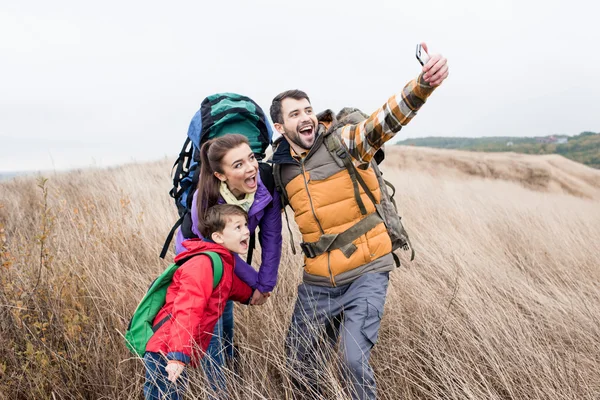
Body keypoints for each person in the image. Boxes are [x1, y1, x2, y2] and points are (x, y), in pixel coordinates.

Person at [269, 43, 449, 399]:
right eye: (294, 114)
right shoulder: (279, 168)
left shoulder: (344, 142)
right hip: (318, 282)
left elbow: (385, 119)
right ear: (280, 126)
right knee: (299, 364)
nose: (305, 117)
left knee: (353, 362)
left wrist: (423, 84)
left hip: (366, 271)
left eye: (308, 109)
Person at [174, 134, 282, 388]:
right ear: (221, 175)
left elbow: (272, 238)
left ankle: (232, 377)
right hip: (203, 262)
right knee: (212, 324)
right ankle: (217, 388)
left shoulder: (264, 186)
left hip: (227, 261)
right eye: (238, 165)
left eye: (251, 158)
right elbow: (222, 256)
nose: (251, 167)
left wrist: (264, 285)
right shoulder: (206, 198)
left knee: (225, 322)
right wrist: (253, 284)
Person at [143, 204, 255, 400]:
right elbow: (187, 310)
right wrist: (177, 356)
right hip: (166, 349)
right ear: (218, 237)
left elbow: (229, 286)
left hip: (175, 349)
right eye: (238, 227)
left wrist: (251, 295)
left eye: (245, 225)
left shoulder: (221, 262)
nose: (246, 231)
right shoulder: (203, 264)